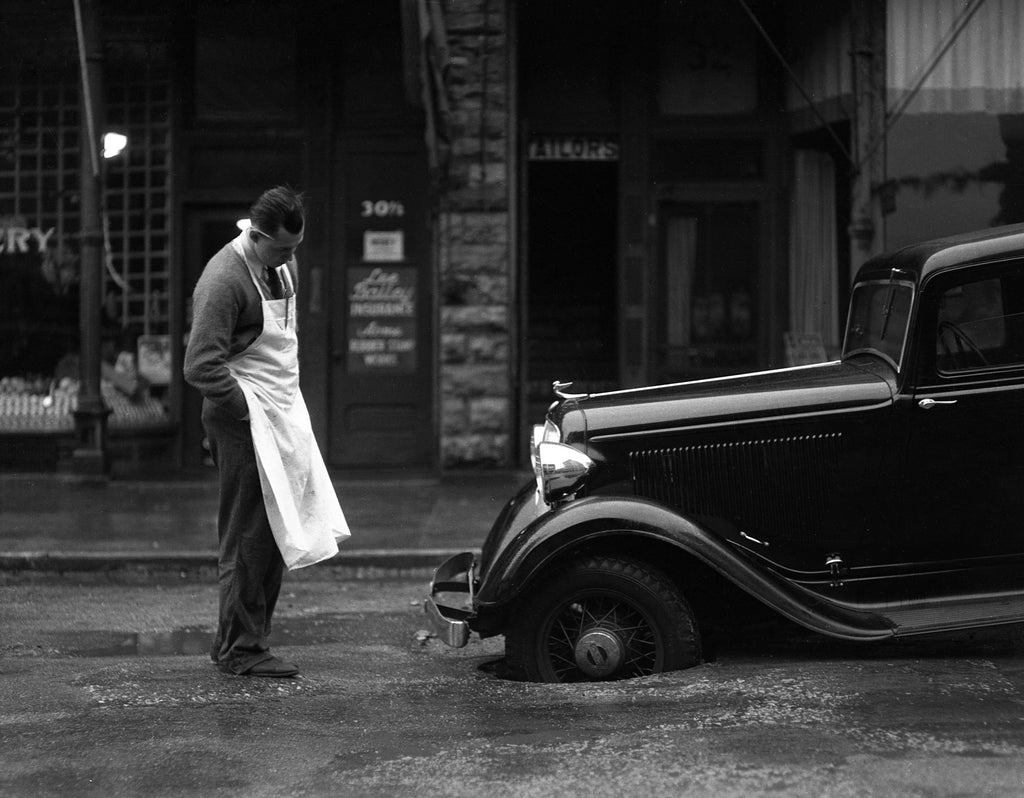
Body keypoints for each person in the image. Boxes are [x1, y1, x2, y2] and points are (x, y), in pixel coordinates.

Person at [184, 186, 349, 678]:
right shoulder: (223, 280)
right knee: (248, 534)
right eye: (280, 249)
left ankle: (239, 642)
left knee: (275, 531)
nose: (288, 258)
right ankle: (242, 649)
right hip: (243, 421)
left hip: (278, 412)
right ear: (254, 236)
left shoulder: (281, 267)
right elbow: (200, 367)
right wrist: (249, 413)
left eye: (295, 249)